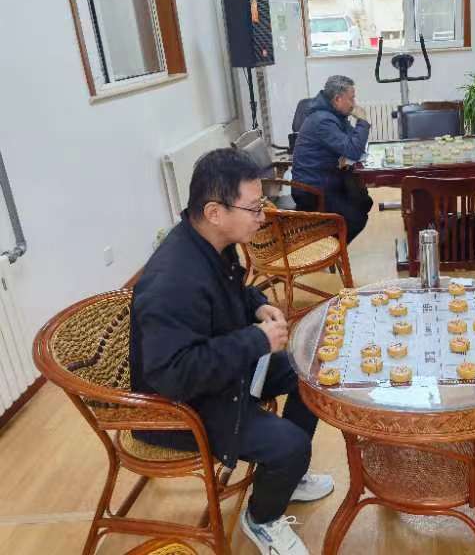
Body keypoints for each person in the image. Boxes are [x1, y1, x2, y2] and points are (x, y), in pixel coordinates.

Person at [130, 149, 332, 555]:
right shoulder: (172, 281)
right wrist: (256, 340)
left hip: (220, 378)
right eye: (254, 208)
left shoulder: (212, 243)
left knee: (307, 372)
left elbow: (230, 293)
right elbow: (174, 375)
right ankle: (262, 518)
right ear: (215, 212)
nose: (263, 216)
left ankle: (286, 479)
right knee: (291, 445)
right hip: (178, 410)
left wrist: (256, 304)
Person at [292, 75, 373, 244]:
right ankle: (327, 249)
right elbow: (353, 150)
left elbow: (351, 144)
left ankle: (331, 245)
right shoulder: (323, 120)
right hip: (312, 191)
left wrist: (348, 150)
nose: (354, 104)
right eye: (351, 98)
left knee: (364, 201)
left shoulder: (334, 115)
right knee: (356, 218)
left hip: (326, 179)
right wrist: (363, 121)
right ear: (337, 99)